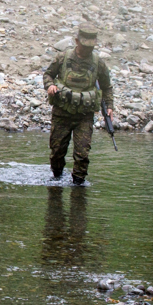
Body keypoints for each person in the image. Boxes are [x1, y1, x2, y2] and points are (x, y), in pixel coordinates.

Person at [44, 24, 113, 185]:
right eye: (84, 46)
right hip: (62, 112)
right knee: (57, 152)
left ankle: (78, 187)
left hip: (84, 115)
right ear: (76, 41)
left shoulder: (98, 63)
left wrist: (109, 106)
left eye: (91, 46)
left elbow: (107, 86)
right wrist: (50, 86)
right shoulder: (63, 58)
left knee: (82, 154)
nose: (87, 49)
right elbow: (48, 75)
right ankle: (57, 180)